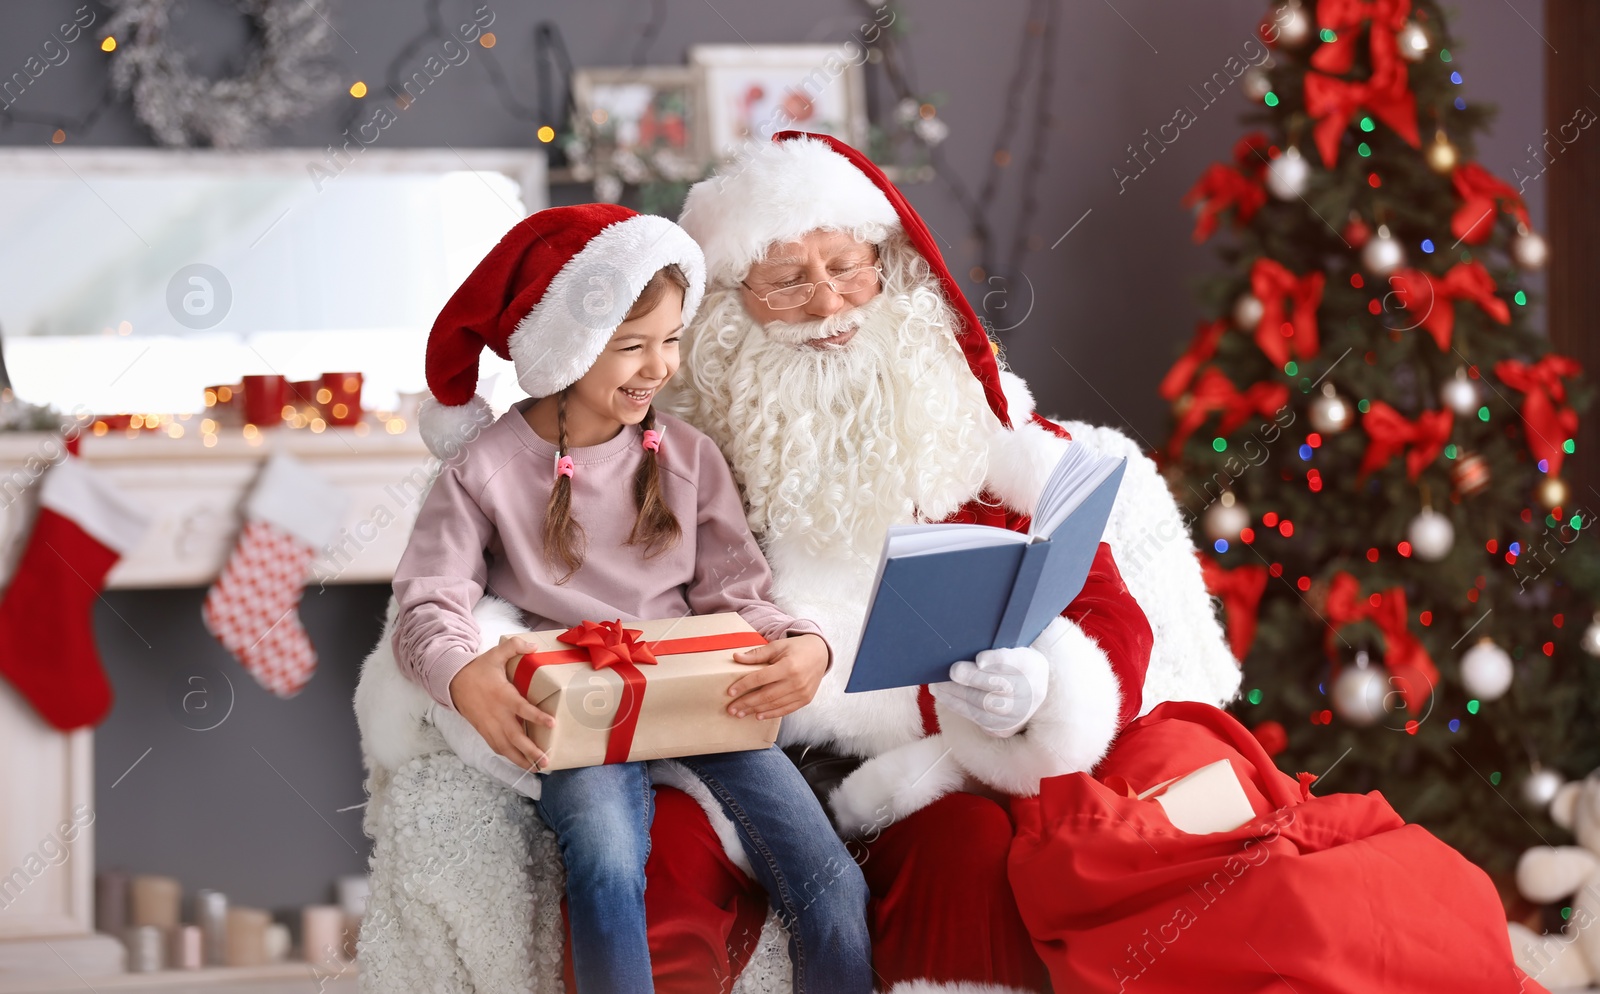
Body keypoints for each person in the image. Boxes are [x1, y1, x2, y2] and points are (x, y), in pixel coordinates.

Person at [647, 132, 1545, 994]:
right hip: (861, 780)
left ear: (889, 272)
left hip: (1042, 751)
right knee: (964, 846)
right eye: (787, 281)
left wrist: (1043, 688)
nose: (830, 306)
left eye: (846, 267)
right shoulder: (692, 466)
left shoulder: (973, 431)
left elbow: (1108, 603)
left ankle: (1351, 943)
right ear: (732, 308)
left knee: (1249, 843)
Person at [389, 204, 873, 994]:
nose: (658, 367)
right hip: (577, 710)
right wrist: (462, 673)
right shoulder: (485, 469)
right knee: (610, 868)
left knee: (831, 880)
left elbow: (737, 590)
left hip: (701, 692)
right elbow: (428, 603)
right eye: (630, 347)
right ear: (567, 349)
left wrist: (804, 643)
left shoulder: (686, 455)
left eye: (671, 340)